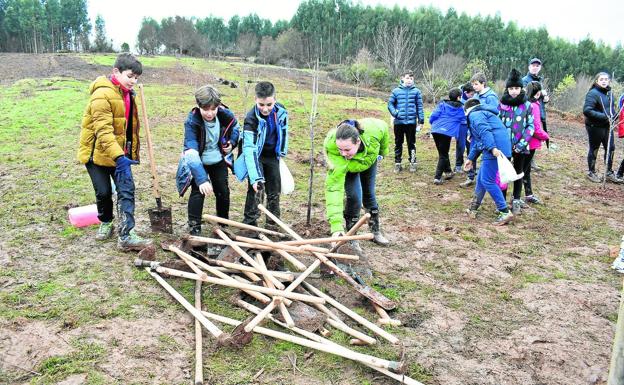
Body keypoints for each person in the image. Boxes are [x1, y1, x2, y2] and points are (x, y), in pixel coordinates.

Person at [77, 53, 152, 251]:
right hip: (97, 155)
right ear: (116, 72)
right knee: (103, 192)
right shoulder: (101, 95)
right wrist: (120, 158)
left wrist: (128, 153)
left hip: (120, 153)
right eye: (130, 76)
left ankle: (127, 235)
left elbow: (127, 127)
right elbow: (103, 131)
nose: (134, 81)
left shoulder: (127, 94)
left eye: (137, 78)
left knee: (127, 190)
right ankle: (106, 221)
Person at [176, 85, 240, 235]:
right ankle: (194, 228)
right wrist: (201, 179)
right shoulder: (192, 121)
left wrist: (232, 143)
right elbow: (190, 152)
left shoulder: (225, 115)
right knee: (198, 191)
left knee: (223, 191)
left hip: (218, 160)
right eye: (205, 109)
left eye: (213, 109)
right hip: (199, 161)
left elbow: (236, 128)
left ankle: (223, 225)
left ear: (218, 106)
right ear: (198, 106)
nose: (210, 113)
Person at [324, 119, 390, 247]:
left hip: (367, 159)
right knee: (354, 197)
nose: (343, 153)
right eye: (340, 149)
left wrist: (382, 152)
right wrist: (336, 226)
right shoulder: (336, 153)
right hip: (348, 166)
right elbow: (334, 189)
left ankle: (375, 231)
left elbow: (384, 129)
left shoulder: (374, 130)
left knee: (369, 194)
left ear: (358, 141)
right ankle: (351, 236)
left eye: (347, 149)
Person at [234, 81, 289, 227]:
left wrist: (281, 150)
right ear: (255, 100)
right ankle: (250, 224)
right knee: (257, 188)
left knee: (274, 190)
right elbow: (249, 149)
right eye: (261, 105)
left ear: (275, 99)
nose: (265, 109)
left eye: (269, 105)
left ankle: (272, 225)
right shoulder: (251, 119)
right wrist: (255, 177)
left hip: (272, 155)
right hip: (256, 156)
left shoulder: (281, 111)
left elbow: (284, 131)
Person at [463, 99, 513, 225]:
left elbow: (485, 131)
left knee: (488, 180)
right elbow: (479, 140)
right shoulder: (483, 113)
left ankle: (504, 212)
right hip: (498, 147)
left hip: (494, 149)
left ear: (466, 110)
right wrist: (470, 158)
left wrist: (492, 148)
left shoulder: (475, 115)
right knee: (481, 178)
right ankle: (473, 208)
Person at [498, 69, 535, 214]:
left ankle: (516, 200)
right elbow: (497, 123)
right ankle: (501, 201)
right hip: (504, 146)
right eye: (511, 88)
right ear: (507, 89)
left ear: (521, 88)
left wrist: (521, 144)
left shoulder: (527, 105)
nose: (514, 91)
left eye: (517, 88)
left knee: (519, 173)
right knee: (504, 174)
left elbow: (530, 126)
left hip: (521, 147)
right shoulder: (501, 104)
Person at [459, 72, 500, 188]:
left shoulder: (491, 96)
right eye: (473, 84)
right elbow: (470, 115)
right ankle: (470, 177)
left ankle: (488, 179)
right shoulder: (476, 96)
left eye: (476, 84)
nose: (474, 87)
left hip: (486, 132)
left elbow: (495, 113)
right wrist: (469, 132)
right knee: (472, 153)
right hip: (475, 132)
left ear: (483, 83)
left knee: (487, 156)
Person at [582, 72, 622, 183]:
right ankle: (591, 172)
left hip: (608, 126)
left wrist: (615, 115)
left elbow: (611, 109)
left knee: (611, 148)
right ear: (596, 81)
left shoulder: (610, 93)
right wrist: (605, 117)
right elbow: (587, 110)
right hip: (594, 126)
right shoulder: (593, 93)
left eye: (606, 79)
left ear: (609, 81)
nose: (604, 81)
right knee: (594, 149)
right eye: (601, 79)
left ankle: (608, 172)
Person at [387, 71, 424, 173]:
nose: (409, 80)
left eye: (411, 79)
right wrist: (395, 113)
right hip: (399, 122)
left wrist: (421, 121)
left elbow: (420, 106)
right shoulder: (396, 91)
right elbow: (390, 104)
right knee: (398, 143)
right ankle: (397, 163)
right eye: (407, 78)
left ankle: (412, 162)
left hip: (411, 122)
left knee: (411, 143)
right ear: (402, 78)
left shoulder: (417, 91)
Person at [430, 88, 465, 184]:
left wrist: (432, 123)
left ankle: (448, 171)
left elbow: (434, 115)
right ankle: (437, 177)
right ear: (458, 97)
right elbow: (463, 119)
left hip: (435, 130)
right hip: (447, 132)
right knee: (443, 154)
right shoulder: (460, 108)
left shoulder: (442, 104)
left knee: (442, 152)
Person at [523, 81, 550, 205]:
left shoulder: (524, 102)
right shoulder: (534, 106)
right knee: (523, 169)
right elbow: (535, 128)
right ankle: (518, 197)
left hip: (523, 140)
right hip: (530, 142)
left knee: (526, 169)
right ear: (538, 93)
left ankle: (528, 194)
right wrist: (546, 136)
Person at [522, 57, 550, 170]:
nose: (535, 67)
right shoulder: (525, 80)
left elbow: (541, 98)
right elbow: (525, 96)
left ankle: (530, 161)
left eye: (537, 66)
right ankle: (527, 161)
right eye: (533, 65)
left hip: (540, 110)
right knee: (530, 134)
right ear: (529, 67)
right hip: (529, 112)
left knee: (534, 136)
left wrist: (546, 97)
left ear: (540, 68)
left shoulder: (540, 80)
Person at [454, 82, 475, 173]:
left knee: (470, 145)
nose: (472, 96)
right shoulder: (458, 100)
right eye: (471, 94)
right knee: (460, 146)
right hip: (461, 125)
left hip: (470, 125)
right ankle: (458, 165)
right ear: (465, 92)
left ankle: (471, 165)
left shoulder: (473, 100)